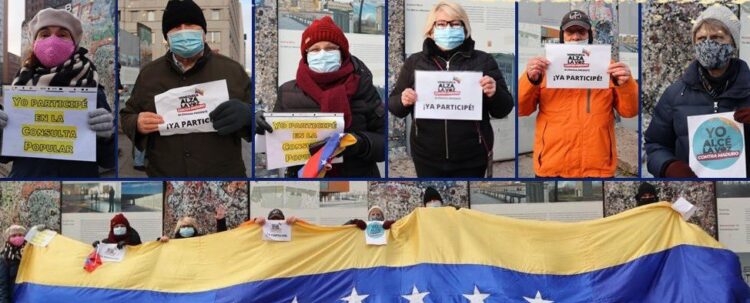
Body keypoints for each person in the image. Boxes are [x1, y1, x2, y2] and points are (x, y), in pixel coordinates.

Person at [120, 0, 252, 177]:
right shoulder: (149, 74)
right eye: (175, 28)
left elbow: (260, 122)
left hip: (223, 176)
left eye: (190, 25)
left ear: (204, 32)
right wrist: (137, 123)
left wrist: (248, 115)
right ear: (167, 37)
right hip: (165, 175)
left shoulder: (232, 70)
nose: (183, 31)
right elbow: (127, 114)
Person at [388, 1, 514, 178]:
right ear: (431, 29)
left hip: (472, 157)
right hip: (426, 157)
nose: (448, 28)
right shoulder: (415, 63)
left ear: (465, 27)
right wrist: (403, 100)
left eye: (455, 23)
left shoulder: (483, 61)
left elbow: (504, 108)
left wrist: (495, 93)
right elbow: (394, 106)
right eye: (441, 24)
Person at [256, 16, 385, 178]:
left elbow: (384, 143)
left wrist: (360, 143)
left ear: (342, 53)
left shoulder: (363, 88)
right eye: (315, 49)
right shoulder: (287, 92)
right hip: (306, 178)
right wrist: (260, 128)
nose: (322, 53)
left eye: (330, 48)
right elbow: (272, 148)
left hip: (358, 175)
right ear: (306, 54)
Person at [518, 10, 639, 178]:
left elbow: (630, 111)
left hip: (598, 166)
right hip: (552, 164)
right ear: (562, 35)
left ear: (589, 35)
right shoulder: (543, 68)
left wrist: (626, 84)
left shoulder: (609, 67)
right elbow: (521, 110)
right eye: (570, 32)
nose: (575, 37)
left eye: (581, 32)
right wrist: (530, 80)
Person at [0, 8, 115, 177]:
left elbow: (108, 160)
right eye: (45, 34)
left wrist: (107, 136)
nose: (52, 40)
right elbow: (5, 157)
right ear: (35, 42)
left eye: (62, 35)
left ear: (74, 43)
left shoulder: (91, 89)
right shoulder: (20, 86)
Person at [646, 5, 750, 177]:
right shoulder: (674, 94)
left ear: (733, 42)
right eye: (701, 39)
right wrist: (668, 166)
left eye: (717, 37)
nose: (708, 44)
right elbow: (655, 144)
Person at [159, 206, 228, 242]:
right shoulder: (173, 242)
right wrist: (161, 240)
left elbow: (220, 239)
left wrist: (221, 220)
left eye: (189, 226)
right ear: (178, 229)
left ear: (194, 227)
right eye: (183, 226)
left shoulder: (202, 240)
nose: (186, 228)